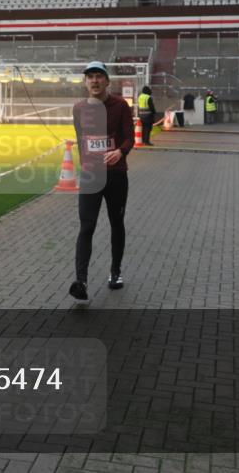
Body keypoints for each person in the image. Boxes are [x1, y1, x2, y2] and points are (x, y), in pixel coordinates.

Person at [69, 61, 134, 301]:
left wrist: (121, 152)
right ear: (86, 82)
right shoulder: (79, 109)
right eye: (90, 77)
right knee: (87, 226)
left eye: (99, 76)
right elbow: (81, 140)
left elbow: (129, 137)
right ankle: (81, 280)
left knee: (116, 223)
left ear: (107, 81)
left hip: (116, 175)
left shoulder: (120, 105)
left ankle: (115, 272)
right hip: (90, 176)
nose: (94, 81)